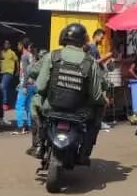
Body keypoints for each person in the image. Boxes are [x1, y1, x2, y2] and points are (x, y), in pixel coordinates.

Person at [32, 23, 108, 165]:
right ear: (84, 40)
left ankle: (38, 144)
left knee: (35, 102)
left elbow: (40, 87)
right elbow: (96, 95)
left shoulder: (52, 56)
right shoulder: (90, 62)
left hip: (51, 107)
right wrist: (102, 102)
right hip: (79, 112)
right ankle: (85, 151)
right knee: (98, 112)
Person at [0, 39, 19, 113]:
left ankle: (5, 103)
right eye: (5, 43)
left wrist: (17, 70)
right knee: (5, 88)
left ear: (9, 45)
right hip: (2, 72)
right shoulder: (2, 52)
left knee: (3, 86)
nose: (6, 45)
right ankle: (6, 103)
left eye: (7, 44)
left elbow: (17, 61)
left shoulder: (12, 53)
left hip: (9, 72)